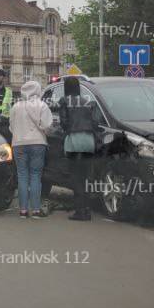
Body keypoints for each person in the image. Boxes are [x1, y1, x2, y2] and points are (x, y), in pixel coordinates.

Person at [10, 80, 53, 219]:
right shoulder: (42, 105)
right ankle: (35, 210)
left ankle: (23, 210)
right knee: (35, 175)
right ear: (38, 90)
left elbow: (11, 127)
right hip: (37, 144)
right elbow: (47, 126)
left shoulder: (16, 106)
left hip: (18, 144)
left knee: (22, 175)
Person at [57, 76, 97, 221]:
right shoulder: (87, 101)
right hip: (89, 141)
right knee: (86, 177)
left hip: (74, 141)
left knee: (76, 177)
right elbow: (94, 122)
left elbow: (64, 122)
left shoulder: (64, 101)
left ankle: (80, 212)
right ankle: (87, 210)